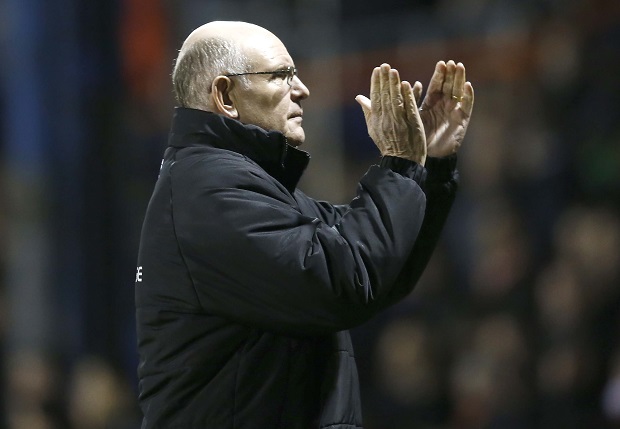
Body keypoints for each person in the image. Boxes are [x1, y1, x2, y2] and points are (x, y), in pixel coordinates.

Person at [135, 20, 474, 429]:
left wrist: (426, 167)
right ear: (225, 95)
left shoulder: (244, 187)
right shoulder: (209, 193)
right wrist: (401, 166)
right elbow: (344, 281)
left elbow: (381, 267)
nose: (302, 89)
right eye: (281, 75)